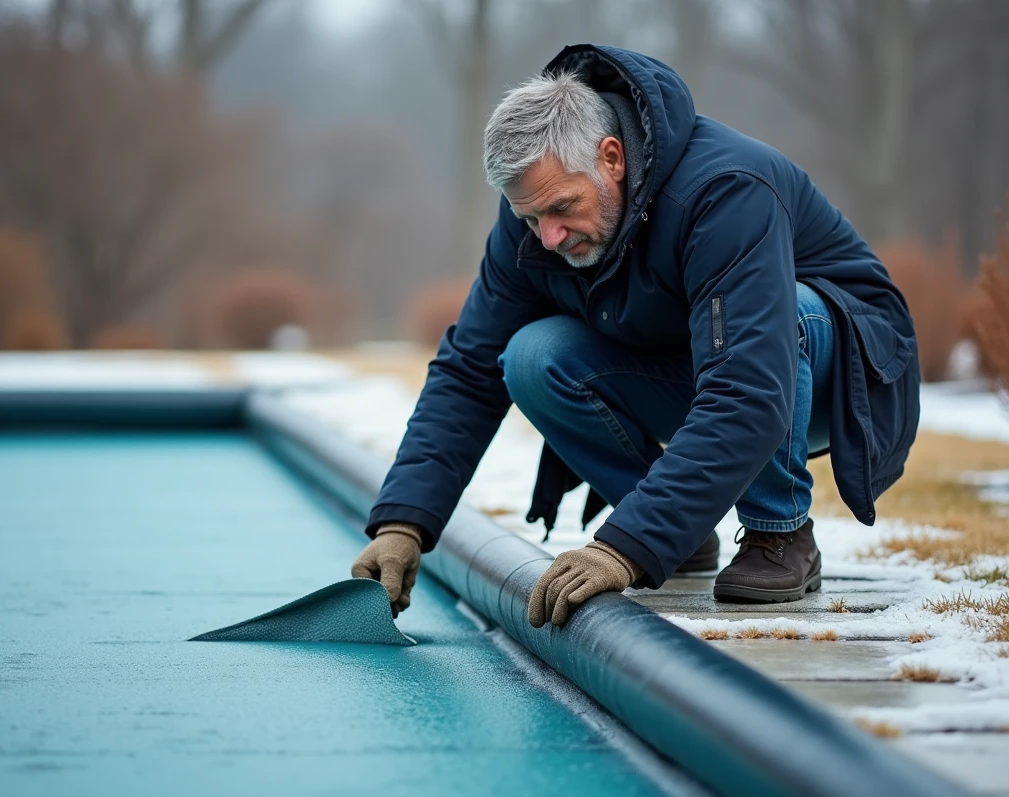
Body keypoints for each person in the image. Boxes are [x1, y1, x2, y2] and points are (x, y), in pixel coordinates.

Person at [351, 44, 919, 629]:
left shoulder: (726, 189)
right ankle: (680, 529)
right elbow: (470, 370)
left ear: (613, 157)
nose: (547, 236)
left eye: (561, 208)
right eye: (529, 218)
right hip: (698, 367)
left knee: (785, 315)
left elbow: (747, 386)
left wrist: (625, 546)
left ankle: (780, 534)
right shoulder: (535, 218)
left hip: (831, 375)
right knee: (531, 356)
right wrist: (404, 523)